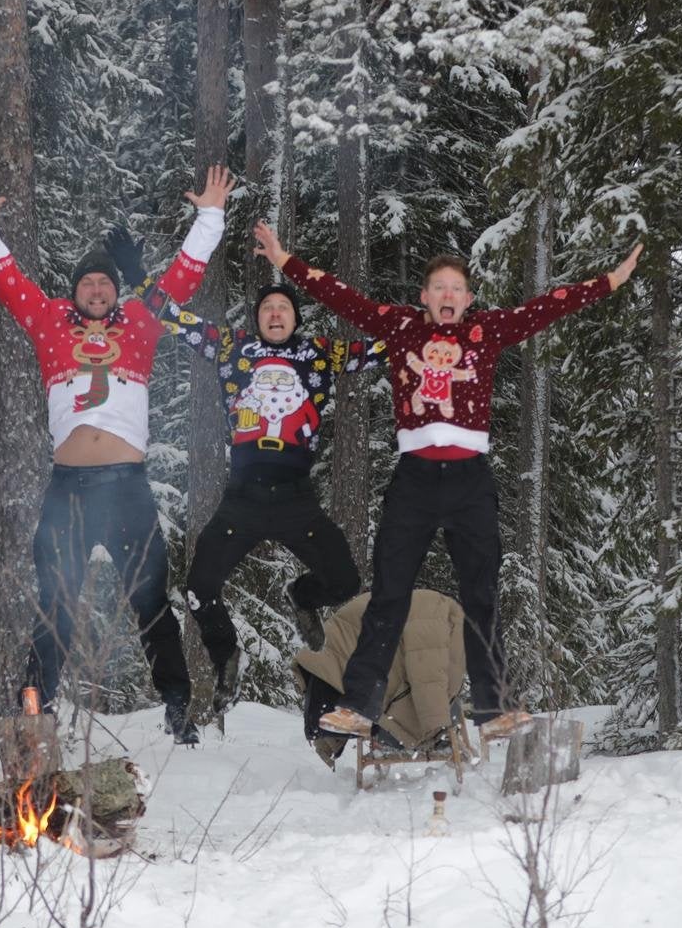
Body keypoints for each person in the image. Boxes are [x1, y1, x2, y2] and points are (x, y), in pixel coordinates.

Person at [255, 221, 642, 742]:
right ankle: (359, 705)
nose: (447, 296)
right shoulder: (401, 327)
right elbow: (341, 295)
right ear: (424, 297)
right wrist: (284, 259)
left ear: (468, 299)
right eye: (438, 288)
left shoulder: (488, 331)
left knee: (481, 594)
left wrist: (609, 282)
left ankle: (495, 708)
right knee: (389, 594)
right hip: (413, 481)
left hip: (470, 482)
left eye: (456, 289)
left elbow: (547, 306)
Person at [0, 167, 233, 743]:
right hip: (70, 489)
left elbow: (183, 277)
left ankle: (178, 706)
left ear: (116, 293)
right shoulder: (50, 324)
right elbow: (7, 281)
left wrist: (209, 215)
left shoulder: (140, 322)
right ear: (74, 291)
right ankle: (34, 705)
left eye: (106, 284)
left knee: (151, 597)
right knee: (55, 599)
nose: (98, 290)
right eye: (88, 284)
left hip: (126, 486)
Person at [148, 278, 384, 722]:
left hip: (297, 497)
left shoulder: (319, 352)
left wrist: (432, 324)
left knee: (345, 581)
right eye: (267, 308)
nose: (275, 314)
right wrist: (142, 278)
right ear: (257, 318)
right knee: (199, 588)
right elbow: (175, 319)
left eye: (284, 308)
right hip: (243, 499)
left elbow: (380, 349)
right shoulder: (233, 348)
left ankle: (302, 594)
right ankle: (226, 656)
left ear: (296, 317)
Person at [296, 589, 465, 767]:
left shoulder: (422, 602)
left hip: (325, 677)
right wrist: (433, 731)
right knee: (436, 708)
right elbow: (428, 678)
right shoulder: (441, 615)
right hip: (340, 681)